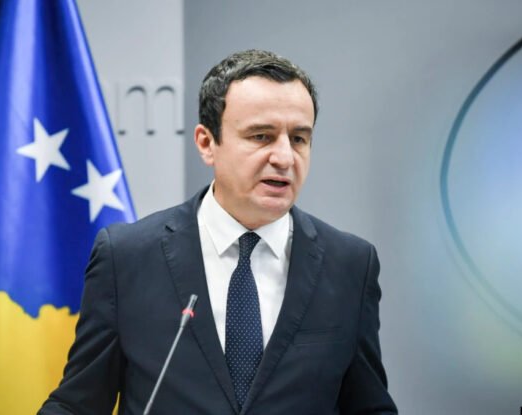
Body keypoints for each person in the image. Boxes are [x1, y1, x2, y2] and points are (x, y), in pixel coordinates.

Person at [39, 49, 397, 414]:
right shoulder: (127, 257)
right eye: (261, 136)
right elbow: (77, 404)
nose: (285, 158)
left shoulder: (350, 265)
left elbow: (370, 408)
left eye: (299, 139)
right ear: (207, 143)